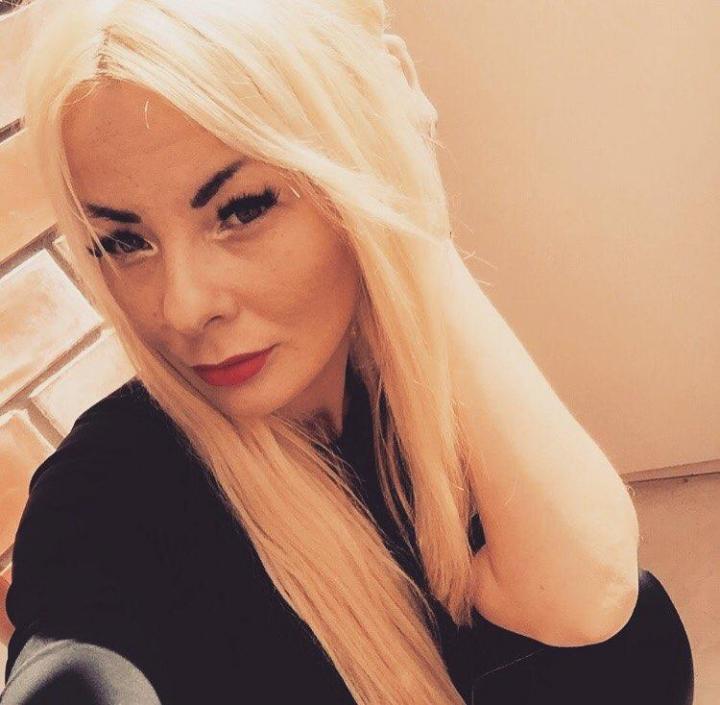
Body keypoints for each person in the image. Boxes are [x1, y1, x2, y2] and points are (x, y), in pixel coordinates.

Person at [1, 1, 694, 703]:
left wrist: (407, 201)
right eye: (124, 242)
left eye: (241, 209)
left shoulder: (417, 399)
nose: (182, 306)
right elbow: (77, 654)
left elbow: (589, 598)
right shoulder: (104, 502)